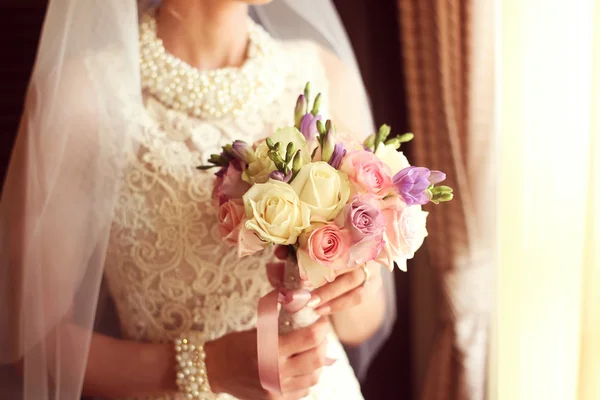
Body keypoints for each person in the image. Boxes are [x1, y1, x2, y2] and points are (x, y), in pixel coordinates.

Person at [0, 1, 397, 399]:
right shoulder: (87, 95)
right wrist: (205, 366)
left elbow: (361, 324)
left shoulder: (323, 76)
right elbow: (29, 341)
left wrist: (351, 283)